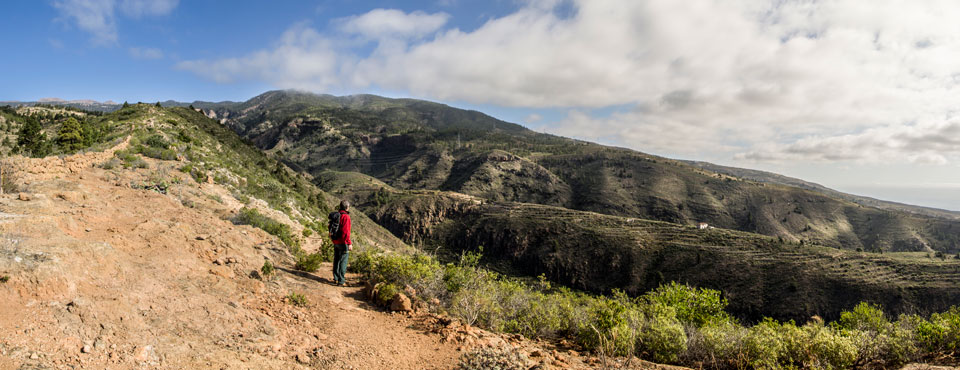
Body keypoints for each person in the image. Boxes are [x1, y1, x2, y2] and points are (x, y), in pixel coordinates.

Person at [331, 200, 352, 286]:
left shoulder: (337, 215)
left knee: (336, 260)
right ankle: (341, 281)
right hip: (343, 242)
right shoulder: (346, 217)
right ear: (347, 207)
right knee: (343, 261)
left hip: (335, 241)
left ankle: (336, 278)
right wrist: (349, 243)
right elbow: (346, 232)